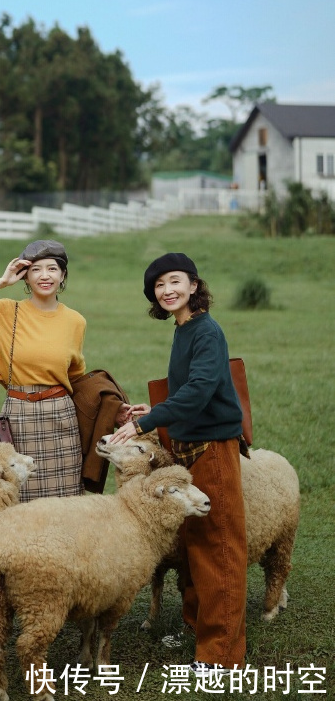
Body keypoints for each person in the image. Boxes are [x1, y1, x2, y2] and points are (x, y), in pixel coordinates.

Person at [109, 252, 248, 676]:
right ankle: (197, 626)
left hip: (213, 448)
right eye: (159, 285)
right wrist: (156, 408)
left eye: (174, 281)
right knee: (193, 544)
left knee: (218, 546)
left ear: (193, 284)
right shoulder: (184, 328)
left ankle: (221, 655)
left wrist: (145, 423)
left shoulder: (206, 331)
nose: (167, 290)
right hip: (191, 446)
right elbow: (190, 388)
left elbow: (202, 389)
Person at [0, 239, 86, 501]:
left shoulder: (75, 321)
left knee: (66, 502)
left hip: (61, 417)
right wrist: (2, 282)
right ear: (25, 276)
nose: (44, 276)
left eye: (52, 269)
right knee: (19, 496)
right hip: (18, 414)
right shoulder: (5, 311)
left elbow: (77, 375)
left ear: (63, 275)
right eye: (35, 270)